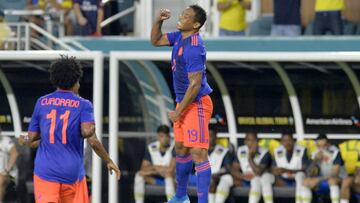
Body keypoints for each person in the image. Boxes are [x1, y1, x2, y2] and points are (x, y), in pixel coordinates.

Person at [18, 55, 120, 203]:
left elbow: (32, 137)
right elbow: (92, 140)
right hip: (72, 174)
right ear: (75, 81)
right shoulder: (83, 105)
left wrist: (25, 139)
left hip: (45, 172)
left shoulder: (42, 102)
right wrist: (108, 160)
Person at [151, 5, 213, 203]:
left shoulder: (195, 46)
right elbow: (155, 40)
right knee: (180, 148)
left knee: (198, 151)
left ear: (195, 24)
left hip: (197, 104)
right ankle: (180, 196)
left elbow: (195, 85)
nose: (181, 17)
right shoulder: (179, 37)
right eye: (182, 14)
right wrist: (158, 20)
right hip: (183, 103)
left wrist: (179, 112)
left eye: (186, 16)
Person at [215, 132, 273, 203]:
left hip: (258, 178)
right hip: (244, 178)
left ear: (257, 142)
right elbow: (234, 169)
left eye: (254, 140)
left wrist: (250, 158)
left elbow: (259, 172)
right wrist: (242, 177)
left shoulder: (265, 152)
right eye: (249, 140)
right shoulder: (241, 150)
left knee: (256, 181)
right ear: (245, 141)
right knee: (225, 179)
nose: (251, 143)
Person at [134, 125, 176, 203]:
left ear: (169, 137)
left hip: (173, 179)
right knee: (139, 175)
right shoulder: (151, 147)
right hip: (157, 178)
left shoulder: (174, 147)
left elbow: (171, 171)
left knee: (168, 177)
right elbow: (143, 169)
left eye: (166, 136)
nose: (164, 139)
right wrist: (160, 169)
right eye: (162, 136)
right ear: (158, 137)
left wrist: (153, 167)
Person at [301, 134, 345, 203]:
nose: (321, 148)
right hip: (323, 178)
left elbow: (335, 173)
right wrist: (315, 160)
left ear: (328, 144)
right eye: (319, 146)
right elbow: (308, 173)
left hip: (340, 178)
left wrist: (318, 180)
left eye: (324, 145)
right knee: (305, 182)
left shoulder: (336, 152)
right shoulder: (315, 153)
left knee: (332, 180)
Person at [272, 133, 309, 203]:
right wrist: (277, 179)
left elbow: (305, 169)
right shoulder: (277, 150)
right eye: (284, 141)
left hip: (298, 178)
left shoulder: (302, 149)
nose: (287, 143)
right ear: (281, 142)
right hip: (283, 179)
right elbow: (273, 169)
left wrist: (286, 170)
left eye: (289, 140)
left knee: (300, 175)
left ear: (293, 141)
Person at [207, 126, 233, 203]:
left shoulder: (224, 151)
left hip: (217, 177)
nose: (208, 138)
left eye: (211, 135)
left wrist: (218, 173)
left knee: (214, 181)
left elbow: (227, 168)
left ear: (215, 136)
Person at [0, 126, 19, 202]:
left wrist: (6, 170)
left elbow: (14, 154)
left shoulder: (6, 141)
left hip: (9, 175)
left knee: (0, 179)